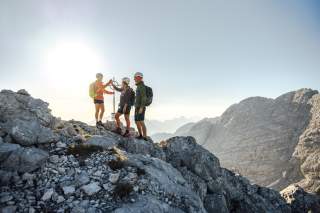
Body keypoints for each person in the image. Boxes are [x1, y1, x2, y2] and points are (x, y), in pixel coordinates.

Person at [133, 72, 148, 140]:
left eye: (135, 77)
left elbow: (144, 97)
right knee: (137, 121)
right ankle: (140, 135)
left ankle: (144, 137)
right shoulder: (138, 86)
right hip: (137, 107)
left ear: (139, 78)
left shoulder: (141, 86)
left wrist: (141, 107)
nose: (134, 79)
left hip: (140, 107)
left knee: (141, 121)